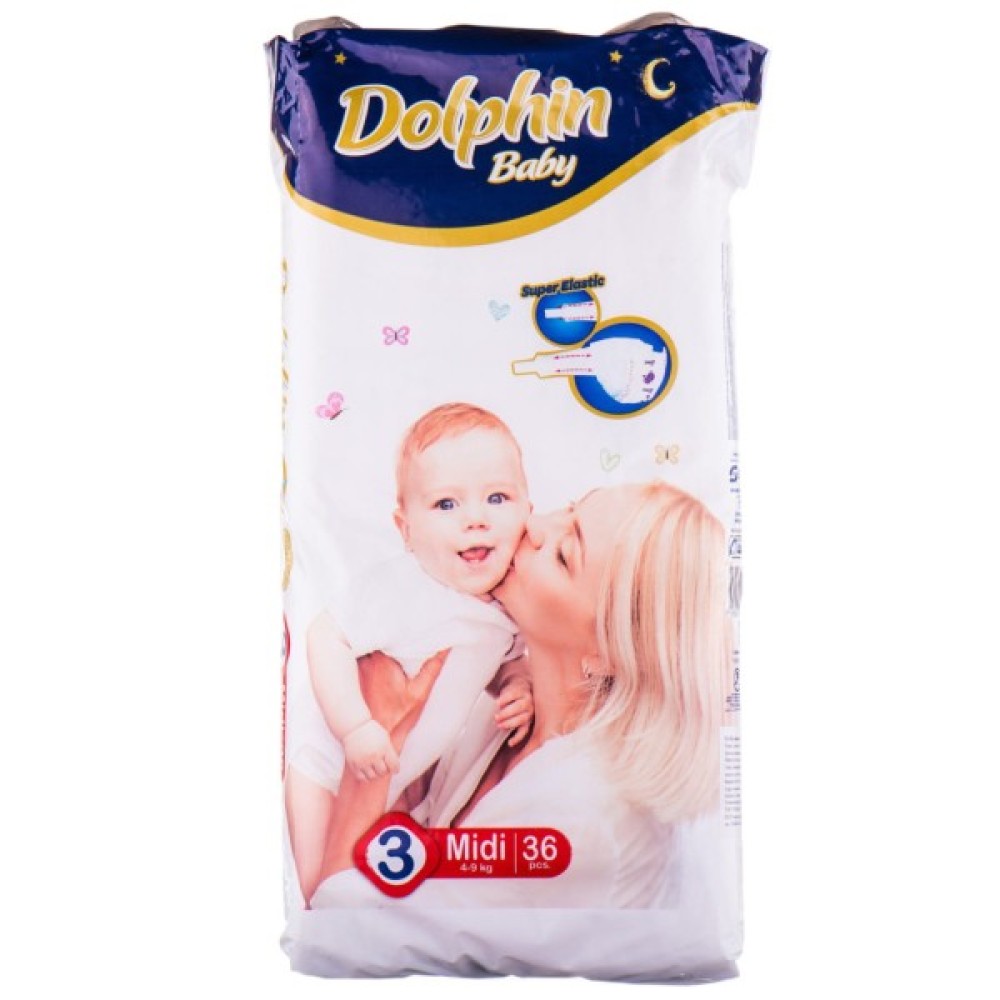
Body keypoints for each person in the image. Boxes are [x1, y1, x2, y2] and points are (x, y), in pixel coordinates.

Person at [310, 480, 732, 909]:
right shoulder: (509, 697)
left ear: (609, 653)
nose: (533, 525)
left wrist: (372, 759)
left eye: (564, 554)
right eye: (569, 508)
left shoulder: (578, 815)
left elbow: (345, 927)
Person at [286, 403, 535, 903]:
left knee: (371, 887)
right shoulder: (405, 587)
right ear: (406, 530)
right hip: (321, 768)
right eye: (446, 504)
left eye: (497, 497)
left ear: (528, 509)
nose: (476, 519)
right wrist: (355, 727)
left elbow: (501, 660)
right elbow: (326, 636)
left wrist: (517, 684)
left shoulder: (507, 601)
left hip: (395, 779)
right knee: (320, 893)